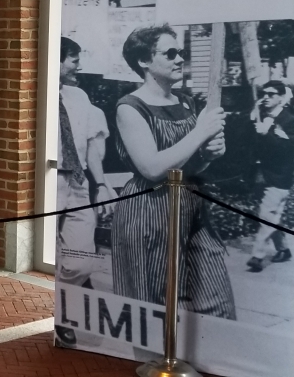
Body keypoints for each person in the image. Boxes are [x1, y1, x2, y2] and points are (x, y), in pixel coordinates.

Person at [112, 25, 234, 319]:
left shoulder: (186, 102)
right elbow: (152, 168)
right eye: (170, 53)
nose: (180, 58)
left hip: (191, 209)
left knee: (215, 303)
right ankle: (154, 363)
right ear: (144, 61)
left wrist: (209, 154)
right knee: (154, 305)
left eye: (180, 52)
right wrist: (200, 132)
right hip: (149, 214)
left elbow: (190, 164)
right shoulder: (130, 108)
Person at [55, 37, 115, 293]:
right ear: (56, 60)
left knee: (81, 262)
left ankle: (61, 295)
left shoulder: (79, 97)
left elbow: (91, 144)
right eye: (74, 60)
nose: (78, 66)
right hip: (49, 180)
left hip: (78, 182)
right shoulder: (34, 94)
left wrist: (101, 184)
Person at [247, 80, 294, 272]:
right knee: (272, 214)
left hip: (280, 176)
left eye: (271, 94)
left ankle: (257, 256)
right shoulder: (262, 116)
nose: (266, 97)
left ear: (281, 97)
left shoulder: (291, 120)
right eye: (264, 93)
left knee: (266, 214)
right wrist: (256, 120)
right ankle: (283, 249)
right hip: (261, 174)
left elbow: (287, 150)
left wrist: (268, 132)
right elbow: (253, 142)